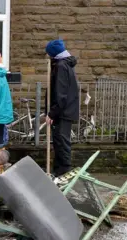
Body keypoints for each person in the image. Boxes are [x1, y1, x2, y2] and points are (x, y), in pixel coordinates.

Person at [45, 39, 79, 177]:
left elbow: (61, 93)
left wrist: (52, 113)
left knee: (62, 143)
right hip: (65, 111)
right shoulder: (66, 65)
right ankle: (59, 172)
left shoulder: (61, 66)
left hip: (62, 112)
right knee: (60, 143)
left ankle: (64, 173)